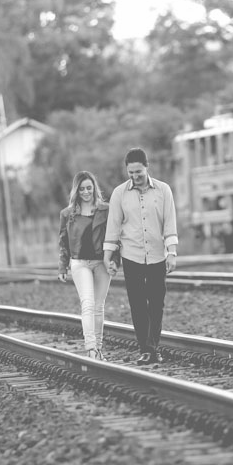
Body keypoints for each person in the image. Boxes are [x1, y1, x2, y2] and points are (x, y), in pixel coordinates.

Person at [104, 148, 178, 365]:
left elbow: (170, 223)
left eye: (138, 172)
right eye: (131, 173)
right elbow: (114, 226)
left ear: (147, 167)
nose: (135, 177)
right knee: (137, 303)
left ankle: (153, 346)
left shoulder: (164, 191)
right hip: (131, 254)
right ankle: (146, 350)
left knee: (156, 303)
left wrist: (171, 253)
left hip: (157, 255)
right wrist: (108, 256)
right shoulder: (120, 193)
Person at [58, 171, 114, 360]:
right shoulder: (67, 214)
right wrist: (62, 266)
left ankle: (98, 350)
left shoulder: (106, 210)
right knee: (88, 304)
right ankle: (90, 349)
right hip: (79, 263)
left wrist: (115, 260)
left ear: (94, 188)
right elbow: (63, 242)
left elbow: (114, 237)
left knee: (99, 307)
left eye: (89, 188)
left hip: (101, 263)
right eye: (81, 189)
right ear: (76, 191)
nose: (86, 192)